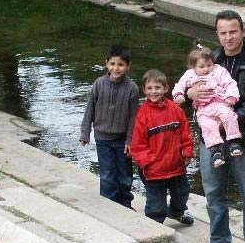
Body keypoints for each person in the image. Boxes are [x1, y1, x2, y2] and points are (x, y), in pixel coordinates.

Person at [184, 10, 245, 243]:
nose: (228, 37)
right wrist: (189, 94)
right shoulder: (206, 60)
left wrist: (228, 119)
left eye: (233, 31)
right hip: (210, 140)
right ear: (217, 35)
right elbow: (190, 97)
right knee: (213, 193)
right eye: (223, 33)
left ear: (243, 31)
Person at [130, 69, 195, 225]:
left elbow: (186, 134)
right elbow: (138, 145)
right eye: (150, 88)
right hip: (154, 170)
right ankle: (155, 226)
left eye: (157, 88)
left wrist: (187, 152)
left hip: (176, 165)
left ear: (166, 88)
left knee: (182, 193)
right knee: (156, 203)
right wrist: (149, 162)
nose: (154, 92)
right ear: (144, 90)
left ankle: (176, 212)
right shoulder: (142, 114)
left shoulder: (175, 109)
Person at [80, 44, 139, 209]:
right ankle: (109, 205)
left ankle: (125, 203)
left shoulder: (132, 88)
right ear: (107, 63)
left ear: (128, 66)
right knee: (107, 173)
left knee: (125, 174)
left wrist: (130, 140)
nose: (116, 68)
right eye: (113, 64)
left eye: (120, 64)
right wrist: (85, 132)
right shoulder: (99, 84)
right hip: (102, 138)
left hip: (122, 140)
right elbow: (90, 108)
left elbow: (133, 117)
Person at [172, 46, 241, 168]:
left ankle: (234, 141)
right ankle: (216, 151)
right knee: (207, 126)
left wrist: (231, 96)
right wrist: (178, 95)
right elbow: (179, 85)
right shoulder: (189, 75)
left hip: (220, 103)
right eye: (202, 67)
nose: (206, 69)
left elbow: (230, 83)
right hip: (203, 108)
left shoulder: (219, 70)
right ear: (193, 66)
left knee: (228, 115)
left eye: (209, 65)